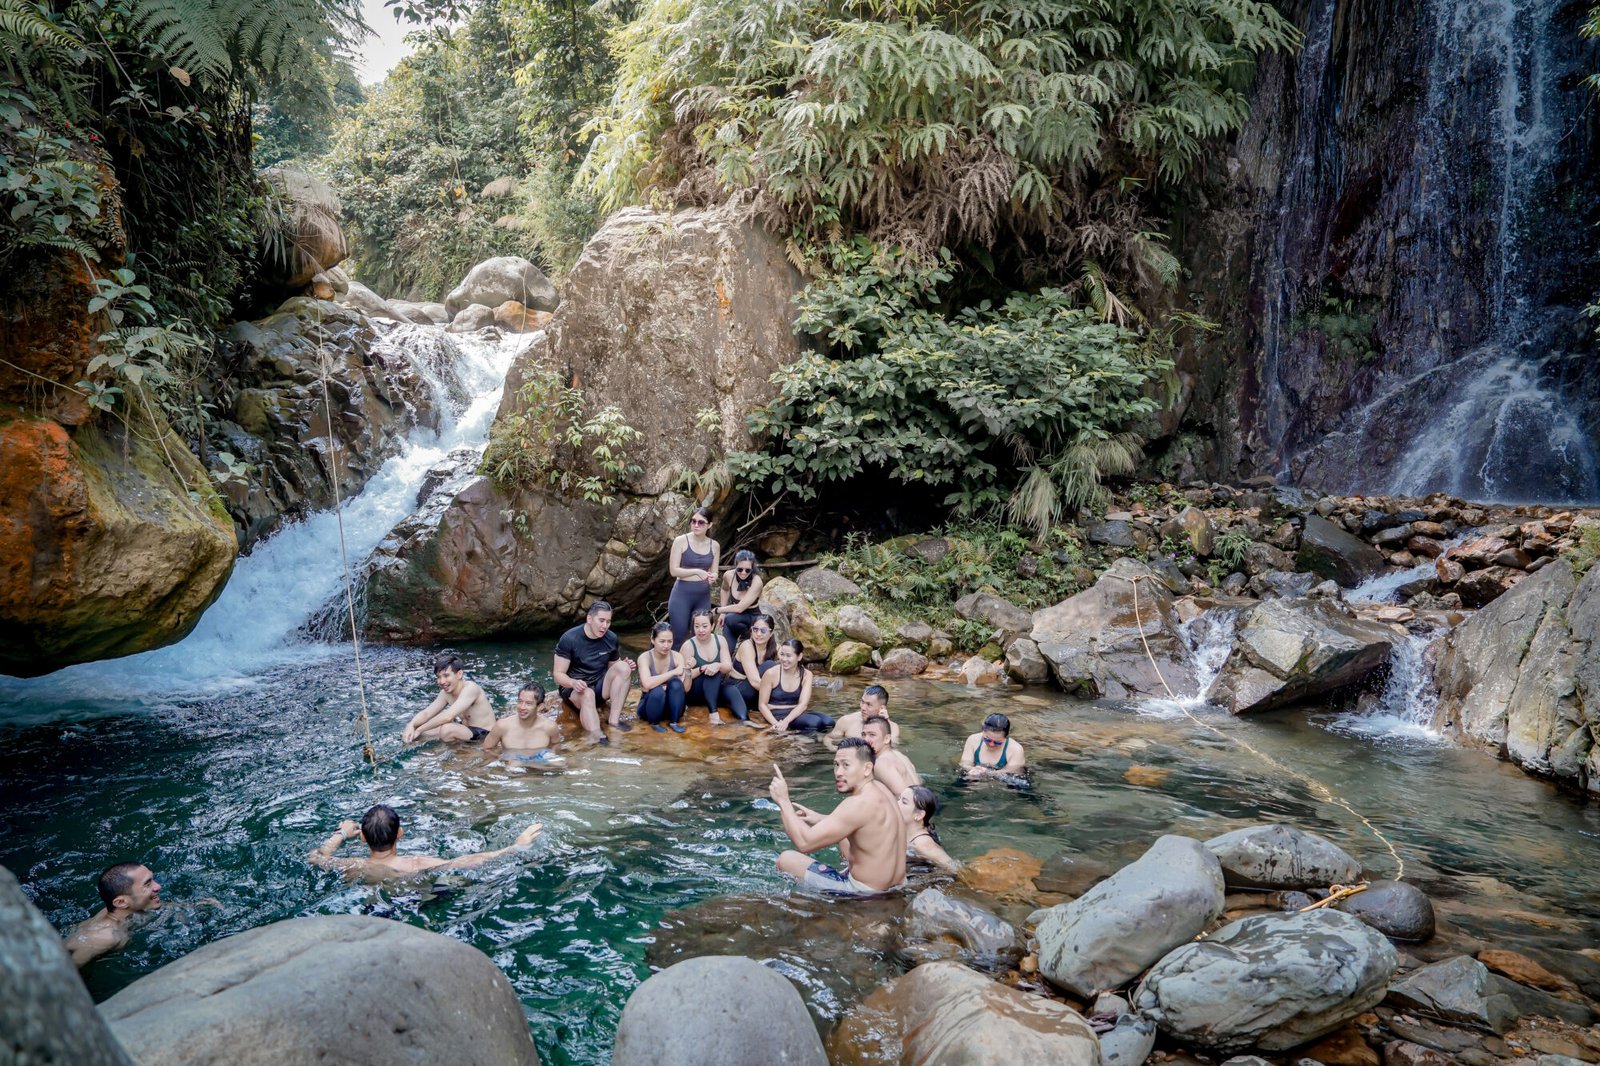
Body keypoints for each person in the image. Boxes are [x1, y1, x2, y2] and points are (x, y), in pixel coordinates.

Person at [769, 740, 906, 895]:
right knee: (843, 838)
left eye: (846, 765)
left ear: (867, 768)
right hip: (898, 886)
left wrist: (783, 800)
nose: (838, 772)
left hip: (864, 893)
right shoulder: (882, 789)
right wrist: (821, 819)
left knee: (786, 859)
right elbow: (865, 827)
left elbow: (804, 842)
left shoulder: (857, 803)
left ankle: (805, 905)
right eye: (836, 765)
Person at [307, 804, 543, 881]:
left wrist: (340, 833)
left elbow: (315, 858)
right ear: (400, 833)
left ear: (362, 837)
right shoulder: (418, 864)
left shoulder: (354, 866)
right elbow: (468, 862)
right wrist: (515, 846)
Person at [554, 600, 635, 742]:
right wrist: (573, 682)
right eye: (601, 620)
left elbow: (614, 666)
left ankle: (614, 721)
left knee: (624, 668)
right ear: (589, 619)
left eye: (608, 622)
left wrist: (625, 665)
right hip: (575, 689)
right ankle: (596, 735)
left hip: (599, 686)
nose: (605, 626)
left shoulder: (611, 638)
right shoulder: (569, 638)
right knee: (588, 694)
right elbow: (558, 675)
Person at [64, 862, 163, 967]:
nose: (158, 886)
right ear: (121, 902)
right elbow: (68, 971)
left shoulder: (125, 911)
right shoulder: (106, 937)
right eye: (147, 884)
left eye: (153, 879)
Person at [402, 653, 495, 744]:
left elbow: (448, 716)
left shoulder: (471, 688)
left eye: (446, 676)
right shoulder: (446, 693)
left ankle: (454, 754)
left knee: (446, 729)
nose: (442, 681)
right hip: (467, 730)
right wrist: (412, 724)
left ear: (459, 674)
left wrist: (420, 729)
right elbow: (426, 713)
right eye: (438, 677)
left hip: (485, 734)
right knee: (415, 734)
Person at [681, 608, 748, 725]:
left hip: (714, 689)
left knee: (731, 690)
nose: (700, 630)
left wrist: (717, 665)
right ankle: (713, 714)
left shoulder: (720, 640)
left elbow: (727, 667)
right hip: (695, 693)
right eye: (696, 626)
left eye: (704, 626)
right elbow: (682, 678)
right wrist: (702, 668)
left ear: (712, 626)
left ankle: (745, 720)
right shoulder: (688, 646)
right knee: (712, 672)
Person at [758, 638, 835, 734]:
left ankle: (809, 740)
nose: (784, 659)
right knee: (815, 723)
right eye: (782, 654)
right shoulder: (771, 674)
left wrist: (786, 721)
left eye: (789, 656)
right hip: (777, 714)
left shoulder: (806, 675)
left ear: (799, 657)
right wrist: (777, 724)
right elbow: (762, 705)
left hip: (796, 712)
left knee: (829, 722)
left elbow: (803, 704)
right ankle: (800, 743)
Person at [667, 507, 720, 646]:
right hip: (681, 594)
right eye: (693, 521)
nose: (696, 525)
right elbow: (673, 571)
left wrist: (713, 576)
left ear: (709, 525)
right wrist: (696, 571)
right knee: (678, 637)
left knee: (700, 637)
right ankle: (674, 667)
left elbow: (715, 571)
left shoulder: (714, 545)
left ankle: (695, 667)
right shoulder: (680, 541)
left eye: (701, 522)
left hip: (703, 596)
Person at [482, 682, 561, 762]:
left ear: (539, 707)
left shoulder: (550, 727)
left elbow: (556, 744)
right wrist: (502, 758)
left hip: (538, 763)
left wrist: (551, 755)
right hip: (513, 766)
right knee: (514, 764)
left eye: (528, 703)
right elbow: (487, 749)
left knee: (560, 763)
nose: (522, 707)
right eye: (520, 701)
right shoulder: (502, 726)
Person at [637, 622, 688, 732]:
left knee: (676, 684)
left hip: (671, 707)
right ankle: (654, 723)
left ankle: (674, 722)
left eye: (670, 641)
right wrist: (673, 672)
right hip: (649, 707)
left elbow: (683, 687)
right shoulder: (645, 658)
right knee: (657, 690)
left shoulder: (677, 656)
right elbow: (647, 684)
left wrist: (688, 672)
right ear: (653, 640)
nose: (666, 646)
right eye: (662, 641)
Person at [729, 612, 779, 719]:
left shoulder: (775, 648)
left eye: (763, 630)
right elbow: (755, 682)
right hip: (739, 691)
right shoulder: (747, 646)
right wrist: (779, 694)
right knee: (770, 665)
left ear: (771, 633)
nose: (758, 634)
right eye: (755, 629)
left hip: (757, 693)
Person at [899, 785, 959, 873]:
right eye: (898, 799)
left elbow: (955, 869)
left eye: (904, 802)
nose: (896, 803)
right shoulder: (906, 832)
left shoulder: (922, 844)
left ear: (919, 815)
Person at [825, 684, 899, 748]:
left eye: (868, 704)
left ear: (882, 708)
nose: (863, 708)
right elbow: (828, 738)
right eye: (862, 702)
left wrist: (886, 723)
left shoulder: (893, 727)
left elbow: (892, 748)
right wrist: (834, 749)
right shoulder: (847, 721)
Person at [862, 714, 920, 794]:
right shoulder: (900, 756)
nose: (865, 740)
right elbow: (919, 787)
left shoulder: (880, 764)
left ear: (887, 739)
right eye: (864, 735)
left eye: (872, 735)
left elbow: (904, 797)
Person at [718, 549, 764, 646]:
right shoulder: (728, 575)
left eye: (747, 570)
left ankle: (747, 635)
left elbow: (739, 608)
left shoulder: (757, 581)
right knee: (726, 650)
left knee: (729, 617)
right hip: (735, 617)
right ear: (735, 566)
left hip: (752, 616)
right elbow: (724, 589)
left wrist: (718, 610)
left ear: (752, 568)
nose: (743, 573)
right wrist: (722, 613)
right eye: (740, 569)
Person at [960, 712, 1026, 778]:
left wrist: (988, 773)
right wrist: (973, 769)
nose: (991, 744)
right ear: (983, 731)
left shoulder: (1016, 749)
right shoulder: (973, 740)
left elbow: (1012, 772)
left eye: (998, 742)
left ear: (1006, 737)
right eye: (987, 739)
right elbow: (965, 763)